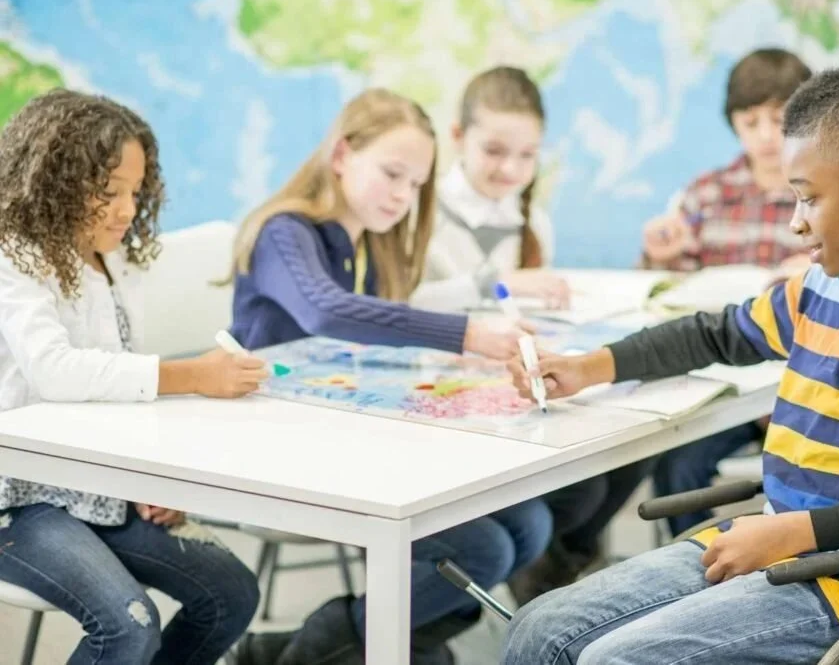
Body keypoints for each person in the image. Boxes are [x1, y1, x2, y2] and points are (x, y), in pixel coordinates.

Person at [501, 64, 839, 664]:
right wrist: (592, 366)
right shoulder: (821, 287)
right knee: (538, 629)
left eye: (809, 197)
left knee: (612, 660)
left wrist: (795, 534)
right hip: (772, 540)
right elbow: (718, 334)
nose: (796, 222)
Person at [231, 88, 552, 665]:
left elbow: (371, 341)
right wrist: (465, 335)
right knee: (483, 550)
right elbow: (327, 312)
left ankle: (302, 651)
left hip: (356, 434)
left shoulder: (373, 244)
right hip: (278, 445)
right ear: (341, 156)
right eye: (391, 174)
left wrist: (461, 363)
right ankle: (324, 650)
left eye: (415, 184)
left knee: (528, 525)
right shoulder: (286, 232)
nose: (403, 195)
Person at [0, 89, 264, 664]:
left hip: (97, 488)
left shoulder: (114, 260)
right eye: (107, 191)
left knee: (232, 593)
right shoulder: (14, 257)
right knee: (128, 626)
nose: (125, 209)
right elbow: (56, 372)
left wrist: (154, 480)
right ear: (54, 181)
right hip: (18, 500)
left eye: (135, 192)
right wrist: (193, 375)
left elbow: (117, 393)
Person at [642, 48, 814, 537]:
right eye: (749, 121)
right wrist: (661, 255)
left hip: (797, 386)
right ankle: (694, 576)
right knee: (677, 471)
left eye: (778, 120)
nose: (764, 135)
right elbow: (669, 296)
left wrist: (819, 269)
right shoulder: (706, 194)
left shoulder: (822, 194)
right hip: (722, 381)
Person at [410, 65, 570, 312]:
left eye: (527, 154)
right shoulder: (416, 210)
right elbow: (395, 302)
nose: (510, 169)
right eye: (493, 151)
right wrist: (490, 284)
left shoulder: (537, 224)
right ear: (458, 136)